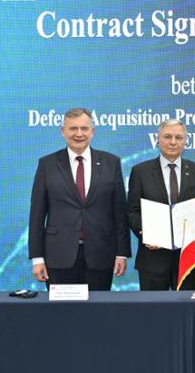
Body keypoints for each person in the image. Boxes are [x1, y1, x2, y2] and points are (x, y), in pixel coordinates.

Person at [28, 108, 130, 290]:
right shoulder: (47, 164)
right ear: (63, 131)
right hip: (58, 256)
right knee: (62, 315)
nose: (79, 133)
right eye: (73, 128)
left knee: (97, 314)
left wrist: (121, 253)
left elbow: (120, 212)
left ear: (92, 131)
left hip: (101, 255)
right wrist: (37, 258)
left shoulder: (111, 162)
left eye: (84, 128)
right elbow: (37, 214)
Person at [127, 119, 195, 291]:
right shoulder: (140, 171)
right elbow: (132, 211)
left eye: (178, 137)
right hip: (152, 258)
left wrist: (192, 234)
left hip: (187, 257)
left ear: (185, 141)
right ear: (157, 139)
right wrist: (146, 234)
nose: (173, 142)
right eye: (167, 137)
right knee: (153, 312)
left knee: (187, 312)